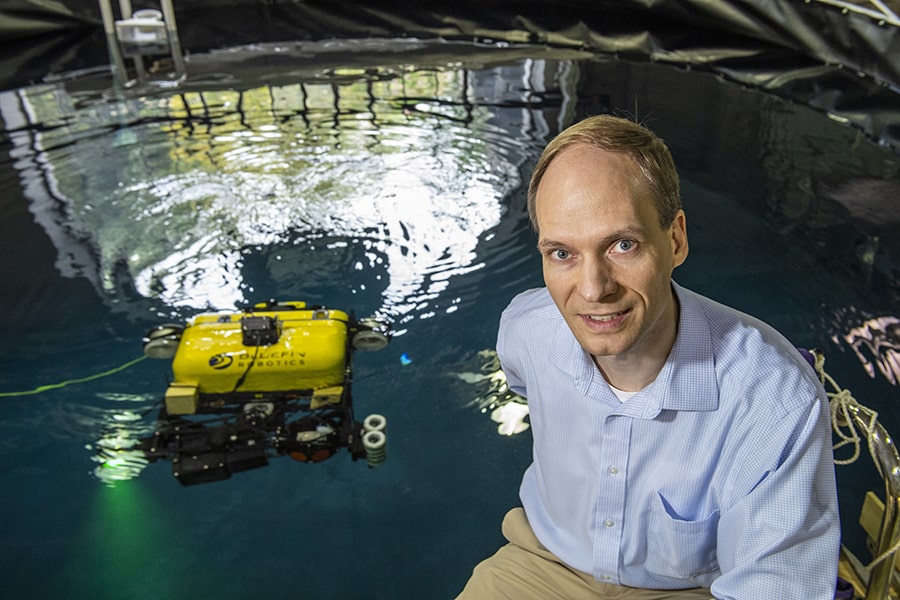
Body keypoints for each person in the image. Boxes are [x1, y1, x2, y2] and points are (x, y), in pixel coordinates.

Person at [457, 115, 840, 599]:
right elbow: (522, 380)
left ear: (675, 239)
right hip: (542, 562)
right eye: (561, 253)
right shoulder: (527, 330)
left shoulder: (774, 400)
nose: (593, 290)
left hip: (689, 590)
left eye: (622, 245)